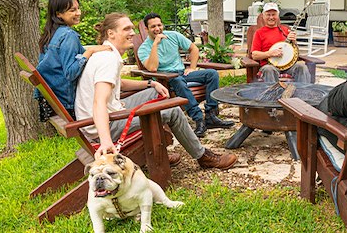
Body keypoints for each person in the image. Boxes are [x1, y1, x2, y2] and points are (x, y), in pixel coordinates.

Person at [75, 13, 237, 170]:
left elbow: (119, 84)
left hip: (106, 116)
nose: (132, 33)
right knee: (172, 110)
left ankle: (159, 149)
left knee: (158, 92)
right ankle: (202, 157)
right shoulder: (107, 59)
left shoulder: (106, 53)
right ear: (111, 33)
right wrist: (105, 141)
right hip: (105, 125)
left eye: (132, 28)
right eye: (126, 29)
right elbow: (99, 102)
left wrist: (151, 84)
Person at [137, 13, 234, 138]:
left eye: (159, 25)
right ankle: (198, 119)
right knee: (177, 80)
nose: (157, 29)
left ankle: (211, 115)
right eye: (153, 26)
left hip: (182, 73)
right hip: (166, 79)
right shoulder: (144, 48)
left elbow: (194, 49)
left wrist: (192, 67)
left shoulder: (174, 36)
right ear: (146, 29)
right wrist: (155, 44)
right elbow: (153, 68)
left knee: (212, 74)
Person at [35, 0, 110, 118]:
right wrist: (90, 51)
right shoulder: (68, 35)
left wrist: (90, 50)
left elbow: (73, 54)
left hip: (52, 100)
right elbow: (70, 73)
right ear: (59, 14)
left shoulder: (53, 34)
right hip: (67, 102)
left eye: (78, 8)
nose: (78, 13)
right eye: (72, 10)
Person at [249, 2, 310, 83]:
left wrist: (294, 41)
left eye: (273, 14)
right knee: (268, 69)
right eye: (268, 14)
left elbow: (295, 52)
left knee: (301, 66)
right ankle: (273, 95)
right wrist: (270, 53)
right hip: (270, 66)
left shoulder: (285, 30)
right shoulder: (259, 33)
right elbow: (254, 55)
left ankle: (303, 93)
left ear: (278, 16)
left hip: (288, 66)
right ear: (263, 16)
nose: (271, 17)